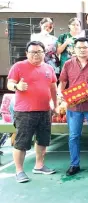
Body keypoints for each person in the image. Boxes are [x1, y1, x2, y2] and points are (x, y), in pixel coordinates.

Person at [7, 41, 59, 183]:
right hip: (24, 112)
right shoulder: (19, 66)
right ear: (26, 54)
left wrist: (55, 105)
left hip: (44, 110)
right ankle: (19, 171)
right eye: (32, 52)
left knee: (43, 140)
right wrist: (17, 86)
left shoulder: (49, 68)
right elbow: (10, 83)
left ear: (44, 53)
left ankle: (39, 166)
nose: (36, 54)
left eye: (39, 52)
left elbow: (53, 88)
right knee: (21, 142)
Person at [58, 37, 88, 176]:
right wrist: (61, 96)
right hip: (73, 107)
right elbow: (63, 82)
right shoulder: (67, 64)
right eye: (79, 47)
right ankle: (74, 164)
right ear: (74, 49)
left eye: (85, 47)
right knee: (73, 136)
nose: (82, 50)